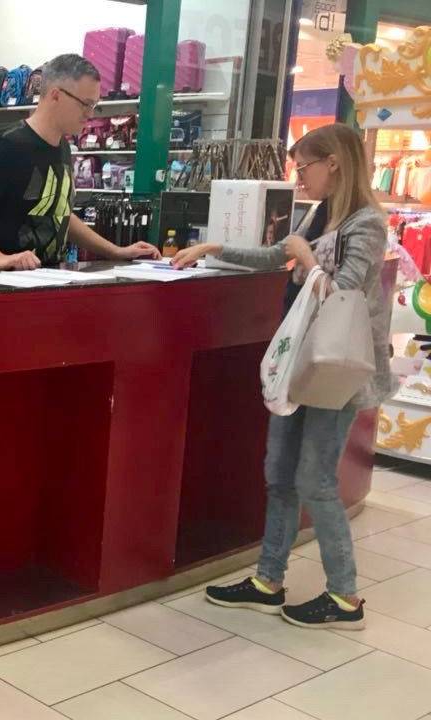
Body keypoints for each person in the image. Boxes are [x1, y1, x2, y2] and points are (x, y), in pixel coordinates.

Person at [173, 123, 392, 629]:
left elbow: (343, 293)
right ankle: (268, 580)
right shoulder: (318, 213)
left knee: (315, 481)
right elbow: (277, 256)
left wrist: (307, 256)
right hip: (299, 363)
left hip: (336, 372)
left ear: (333, 162)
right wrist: (214, 249)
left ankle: (345, 597)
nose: (300, 178)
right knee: (279, 472)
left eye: (305, 166)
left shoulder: (366, 224)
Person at [0, 54, 160, 270]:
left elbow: (59, 214)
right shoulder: (8, 145)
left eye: (94, 104)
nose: (90, 113)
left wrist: (116, 251)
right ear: (56, 95)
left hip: (38, 280)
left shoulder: (62, 147)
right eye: (85, 104)